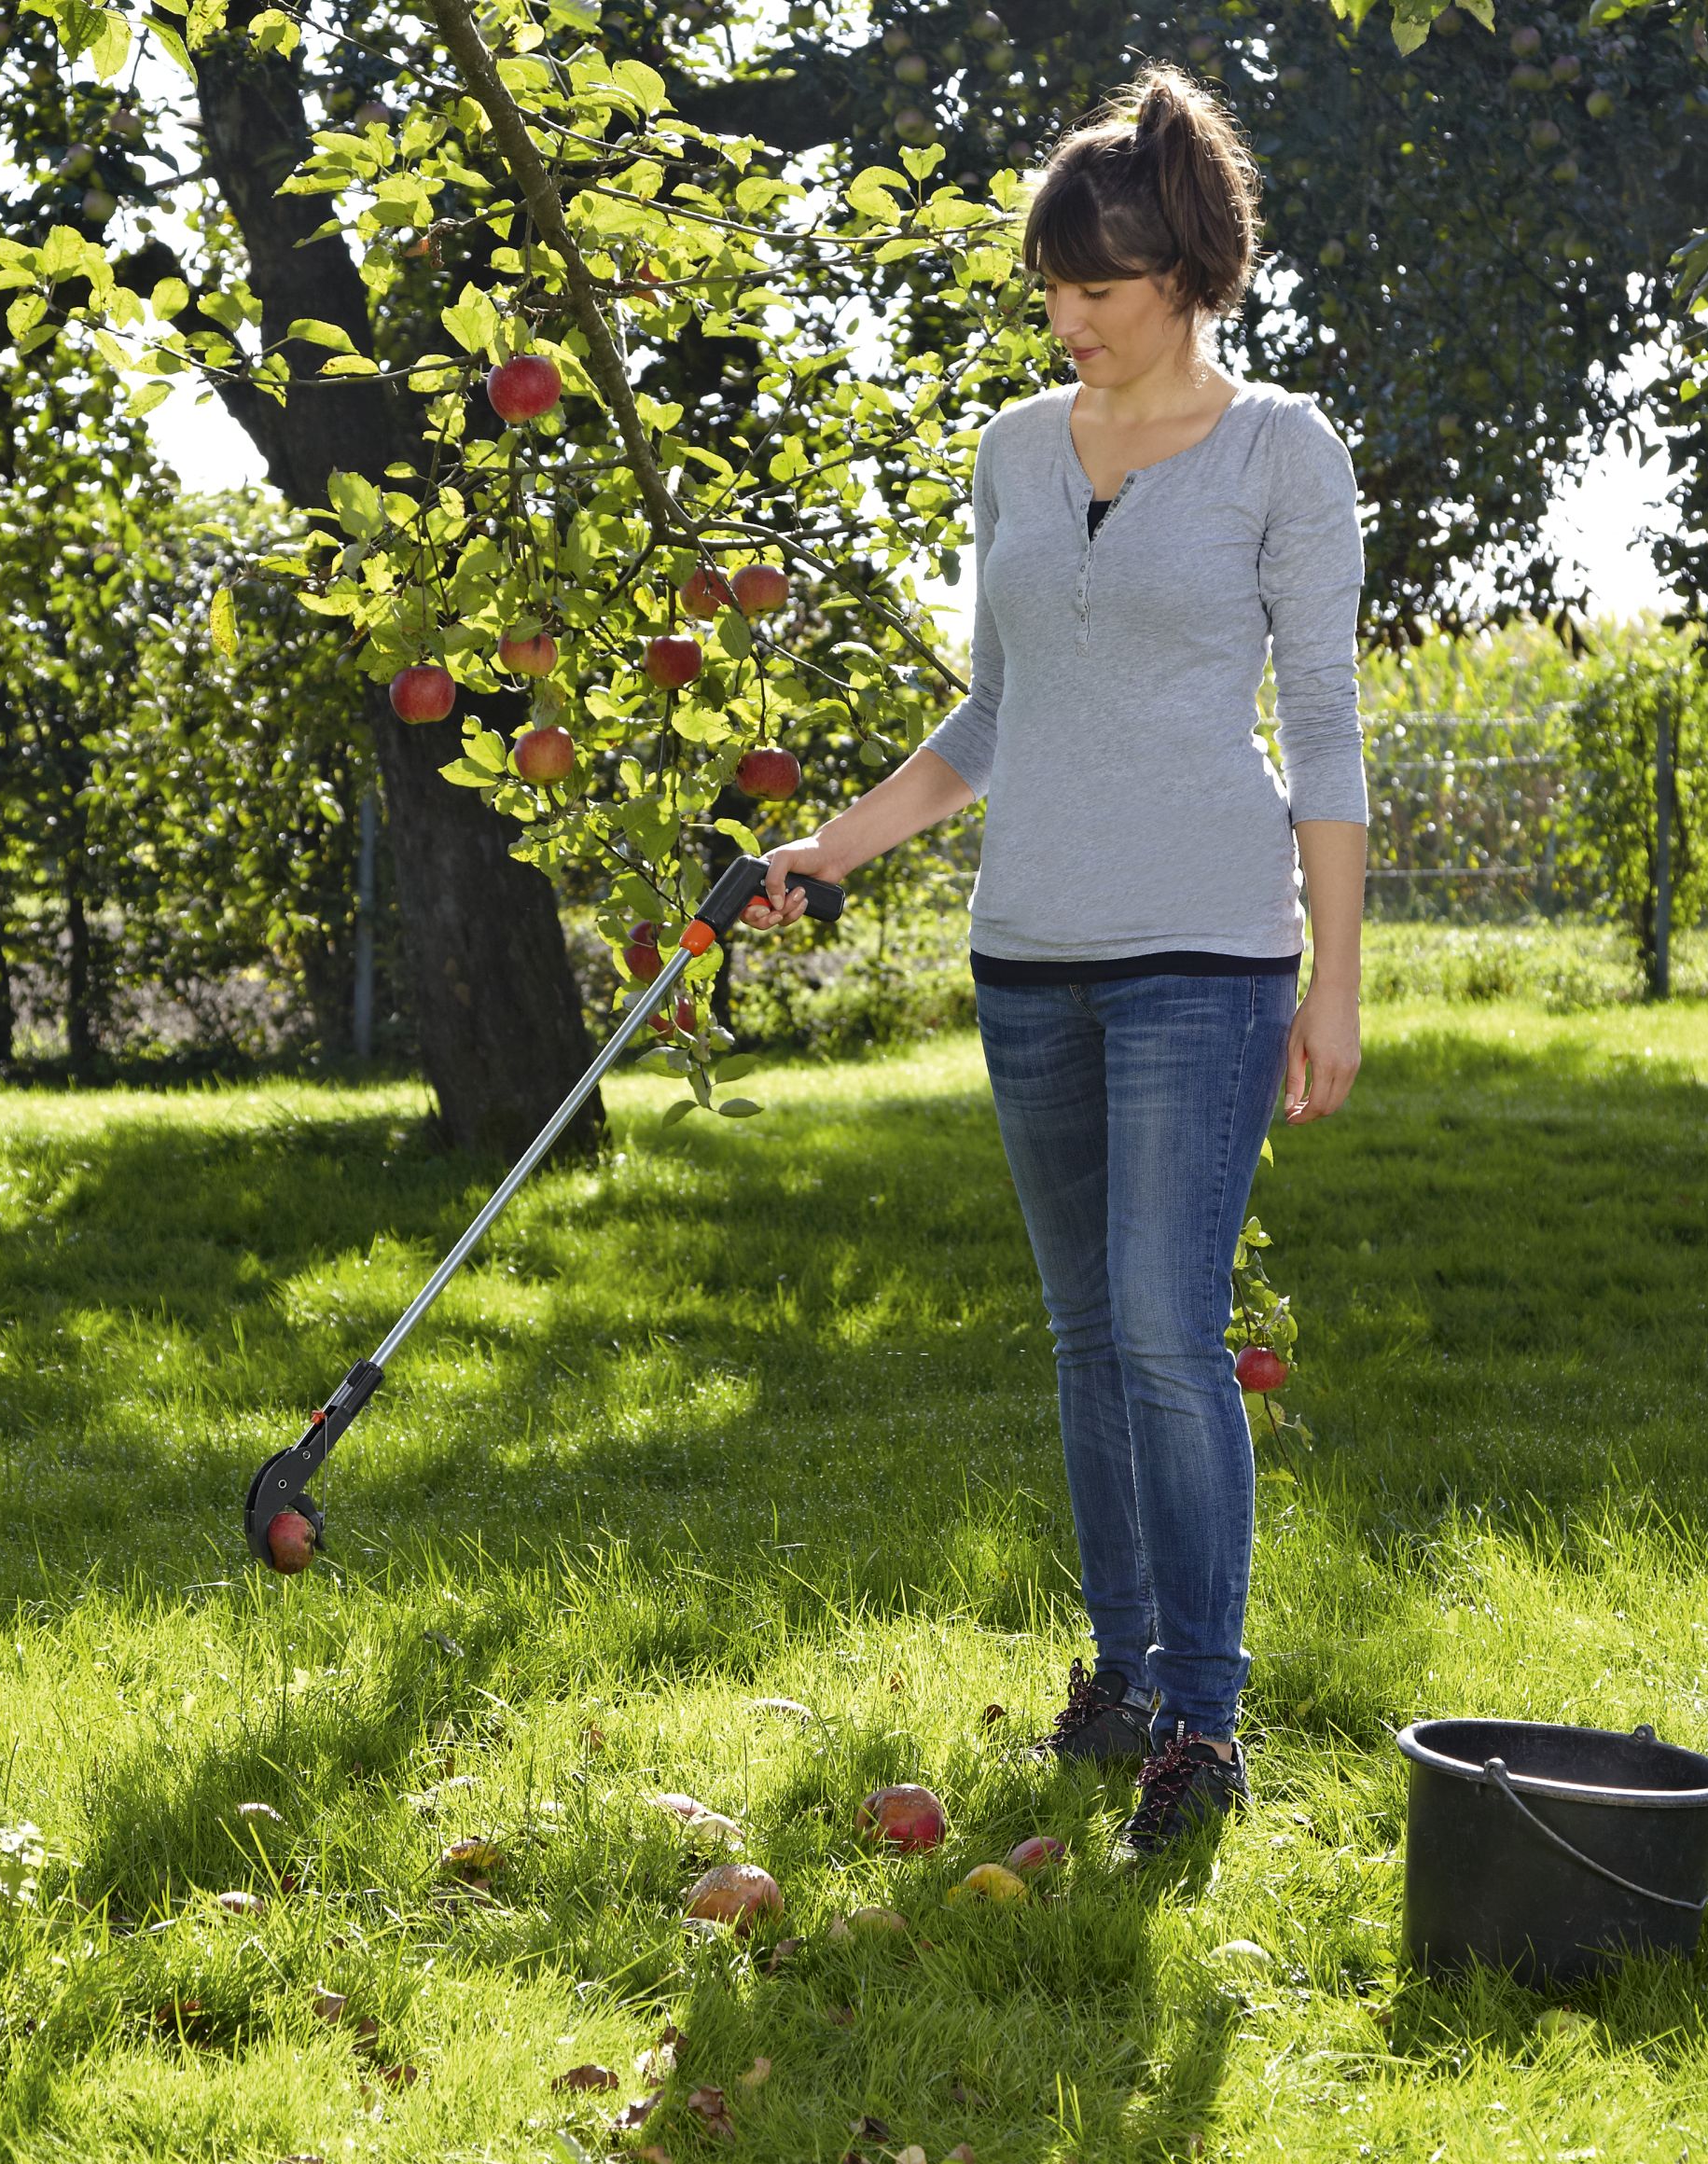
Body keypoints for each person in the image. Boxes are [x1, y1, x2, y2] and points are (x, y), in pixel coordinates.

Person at [739, 64, 1368, 1852]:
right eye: (1051, 289)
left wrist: (1336, 978)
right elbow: (993, 713)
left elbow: (1323, 729)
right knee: (1088, 1338)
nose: (1065, 318)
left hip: (1209, 955)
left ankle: (1206, 1717)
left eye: (1095, 288)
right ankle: (1123, 1671)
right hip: (1028, 954)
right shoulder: (1017, 447)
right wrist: (833, 846)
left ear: (1186, 275)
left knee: (1172, 1334)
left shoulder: (1279, 450)